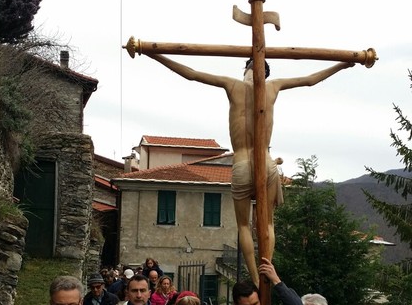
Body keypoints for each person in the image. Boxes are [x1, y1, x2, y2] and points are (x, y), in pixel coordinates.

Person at [147, 53, 354, 285]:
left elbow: (191, 74)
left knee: (244, 225)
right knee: (268, 223)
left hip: (242, 163)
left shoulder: (232, 85)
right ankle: (267, 272)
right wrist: (341, 65)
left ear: (246, 69)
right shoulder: (273, 86)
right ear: (265, 73)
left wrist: (155, 54)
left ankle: (256, 278)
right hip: (266, 162)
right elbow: (310, 79)